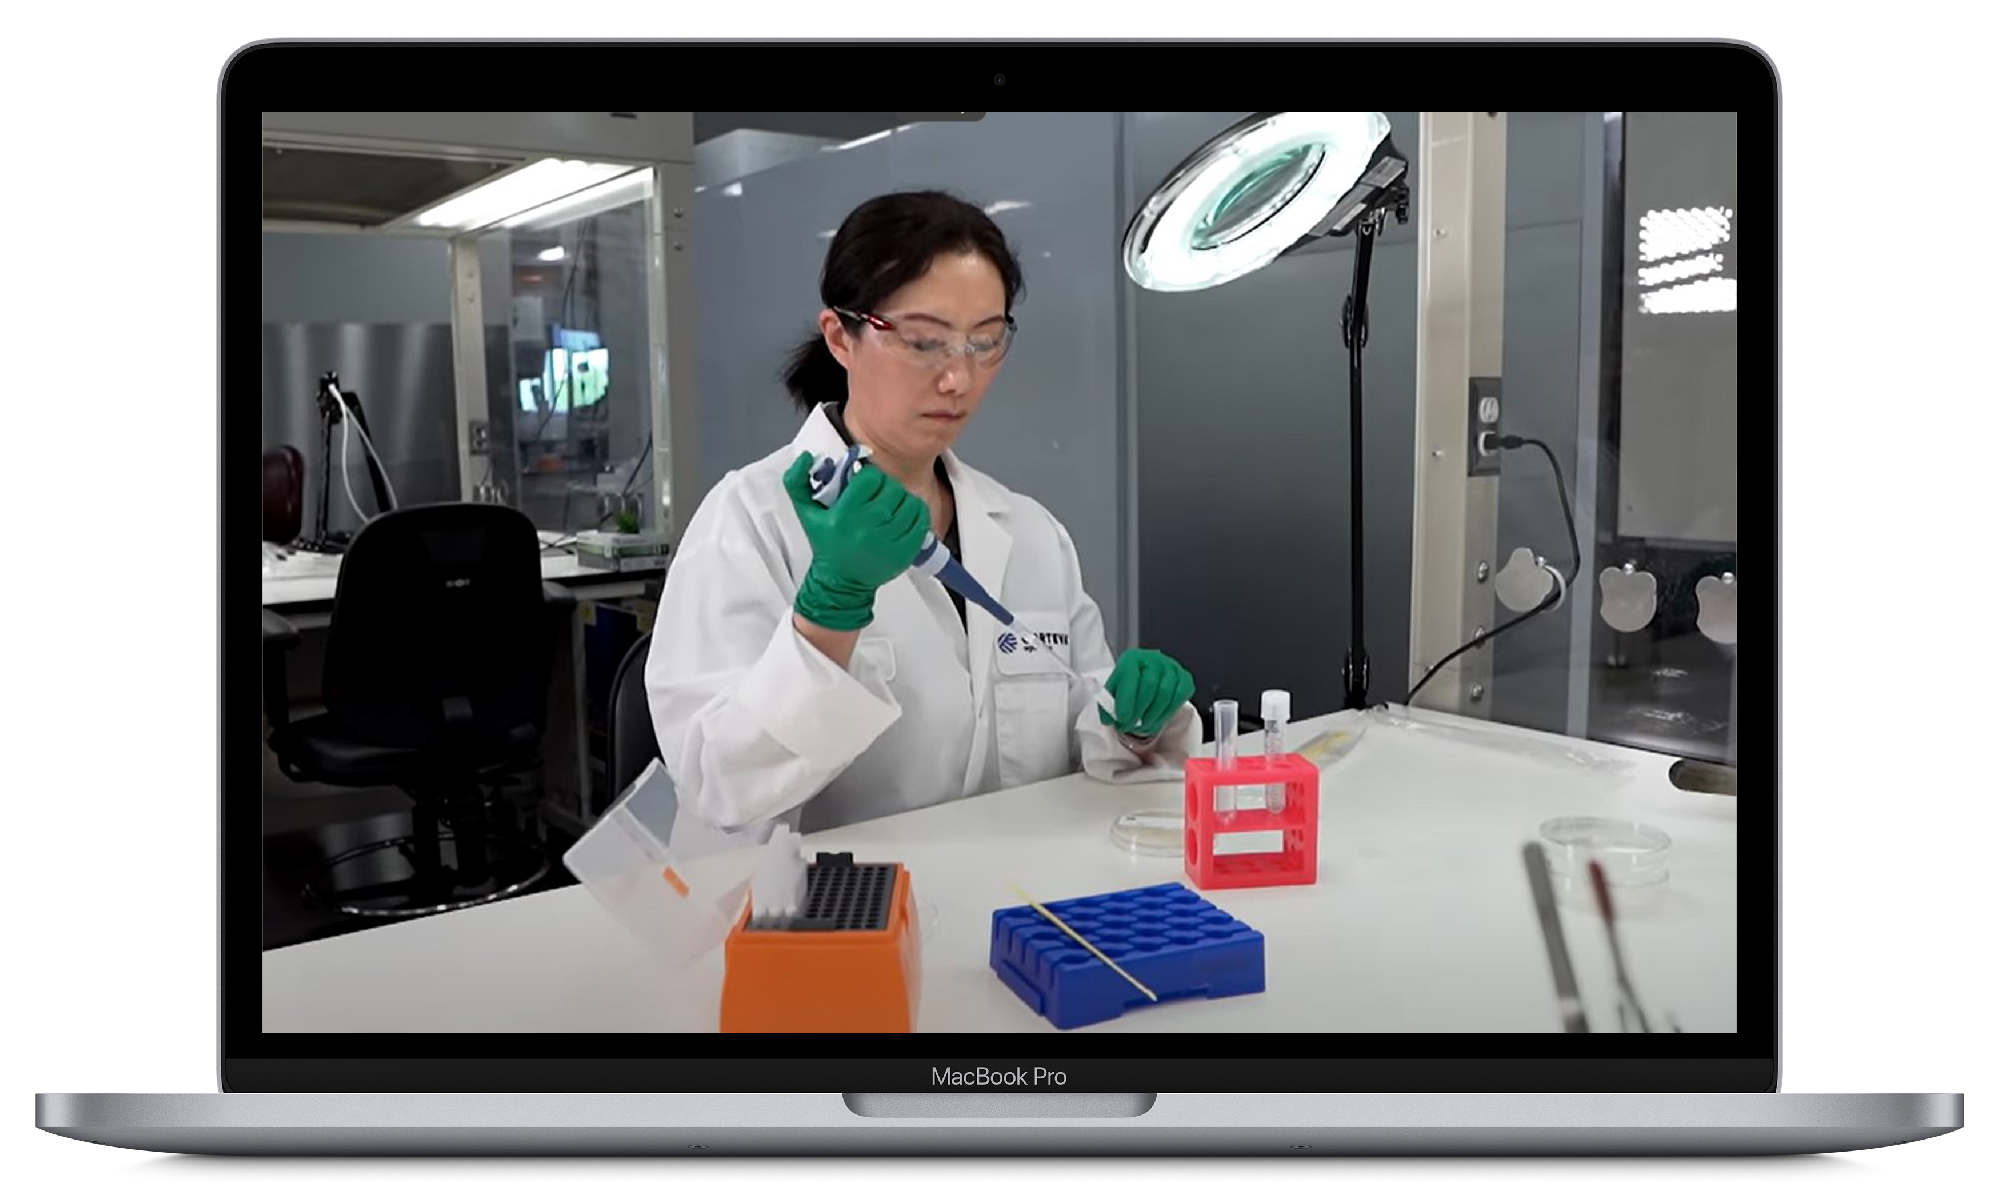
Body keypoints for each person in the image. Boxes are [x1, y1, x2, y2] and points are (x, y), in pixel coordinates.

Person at [646, 190, 1201, 838]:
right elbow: (719, 787)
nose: (957, 380)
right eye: (924, 342)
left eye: (983, 342)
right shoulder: (749, 522)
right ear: (841, 337)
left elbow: (1083, 734)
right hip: (846, 917)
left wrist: (1130, 723)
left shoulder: (1029, 532)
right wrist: (829, 613)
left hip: (1017, 906)